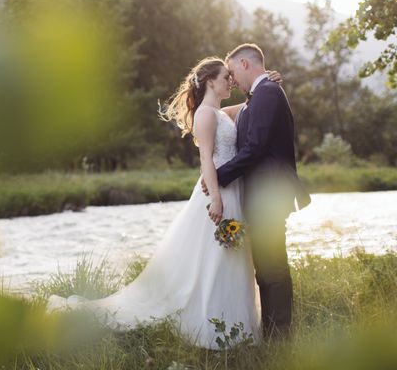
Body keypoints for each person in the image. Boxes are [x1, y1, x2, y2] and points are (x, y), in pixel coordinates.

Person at [47, 56, 283, 349]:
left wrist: (265, 82)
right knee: (214, 258)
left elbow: (252, 106)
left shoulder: (220, 113)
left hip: (233, 192)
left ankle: (236, 328)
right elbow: (206, 160)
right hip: (218, 194)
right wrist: (217, 198)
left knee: (231, 259)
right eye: (226, 77)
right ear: (210, 81)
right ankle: (212, 326)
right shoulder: (205, 116)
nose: (231, 81)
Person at [203, 43, 311, 339]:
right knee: (265, 265)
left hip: (270, 194)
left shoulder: (267, 93)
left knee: (273, 265)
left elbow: (256, 147)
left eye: (233, 71)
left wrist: (219, 176)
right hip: (263, 195)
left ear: (245, 64)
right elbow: (221, 115)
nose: (232, 78)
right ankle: (273, 332)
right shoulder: (258, 96)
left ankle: (280, 336)